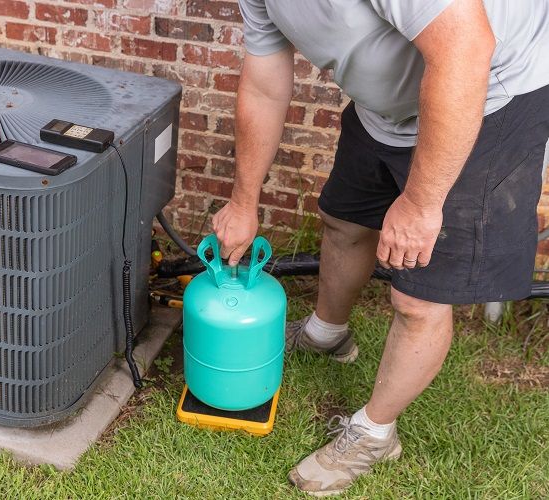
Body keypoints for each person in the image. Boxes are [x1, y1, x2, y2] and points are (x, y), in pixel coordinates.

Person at [212, 0, 549, 495]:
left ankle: (375, 433)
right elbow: (264, 84)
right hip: (389, 107)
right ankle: (327, 334)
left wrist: (420, 202)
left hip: (485, 93)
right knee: (344, 221)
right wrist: (244, 201)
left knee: (418, 296)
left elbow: (465, 49)